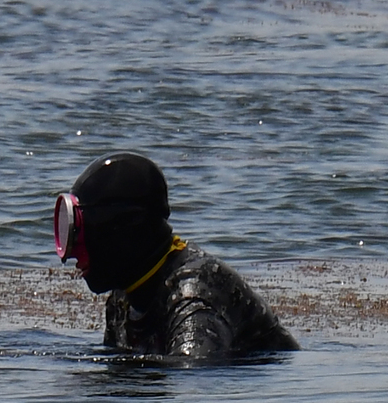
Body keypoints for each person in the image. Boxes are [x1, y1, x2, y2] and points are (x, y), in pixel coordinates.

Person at [53, 152, 298, 358]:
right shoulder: (124, 297)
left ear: (119, 229)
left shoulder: (193, 292)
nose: (72, 253)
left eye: (79, 233)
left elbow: (192, 369)